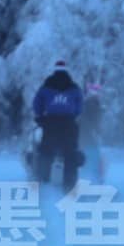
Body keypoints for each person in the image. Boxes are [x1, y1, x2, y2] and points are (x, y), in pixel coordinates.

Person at [31, 60, 83, 189]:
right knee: (70, 152)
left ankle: (43, 180)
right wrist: (73, 115)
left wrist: (40, 116)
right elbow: (79, 106)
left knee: (45, 151)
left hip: (50, 123)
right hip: (68, 124)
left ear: (54, 70)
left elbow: (37, 103)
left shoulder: (46, 86)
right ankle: (69, 183)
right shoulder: (74, 87)